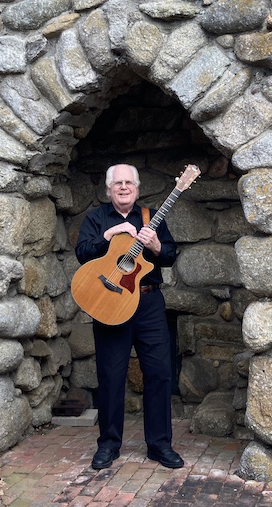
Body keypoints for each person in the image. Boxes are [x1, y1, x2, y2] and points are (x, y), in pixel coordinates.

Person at [75, 163, 184, 470]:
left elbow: (171, 256)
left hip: (148, 304)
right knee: (110, 377)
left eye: (129, 183)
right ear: (109, 189)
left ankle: (160, 445)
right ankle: (108, 445)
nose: (123, 187)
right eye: (117, 183)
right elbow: (83, 254)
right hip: (110, 302)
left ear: (137, 188)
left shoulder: (150, 219)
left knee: (160, 374)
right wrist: (108, 235)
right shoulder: (96, 218)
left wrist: (157, 245)